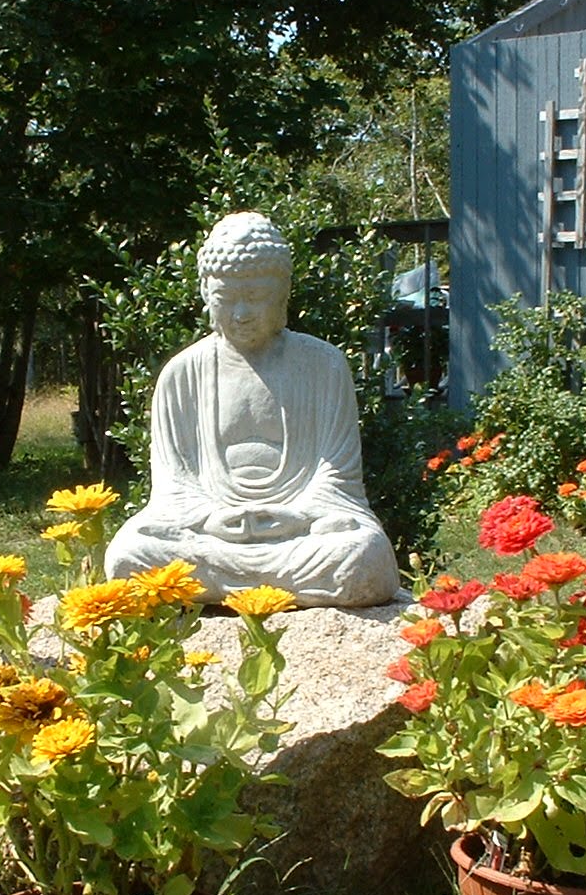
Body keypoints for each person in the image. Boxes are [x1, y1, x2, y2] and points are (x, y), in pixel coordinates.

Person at [105, 212, 400, 608]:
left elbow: (337, 475)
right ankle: (271, 587)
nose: (241, 314)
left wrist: (297, 516)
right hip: (211, 534)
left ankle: (216, 588)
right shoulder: (182, 374)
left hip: (300, 532)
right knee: (128, 554)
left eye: (256, 298)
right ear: (207, 294)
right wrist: (211, 519)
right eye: (227, 299)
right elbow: (174, 482)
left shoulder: (323, 365)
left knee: (365, 556)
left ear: (283, 294)